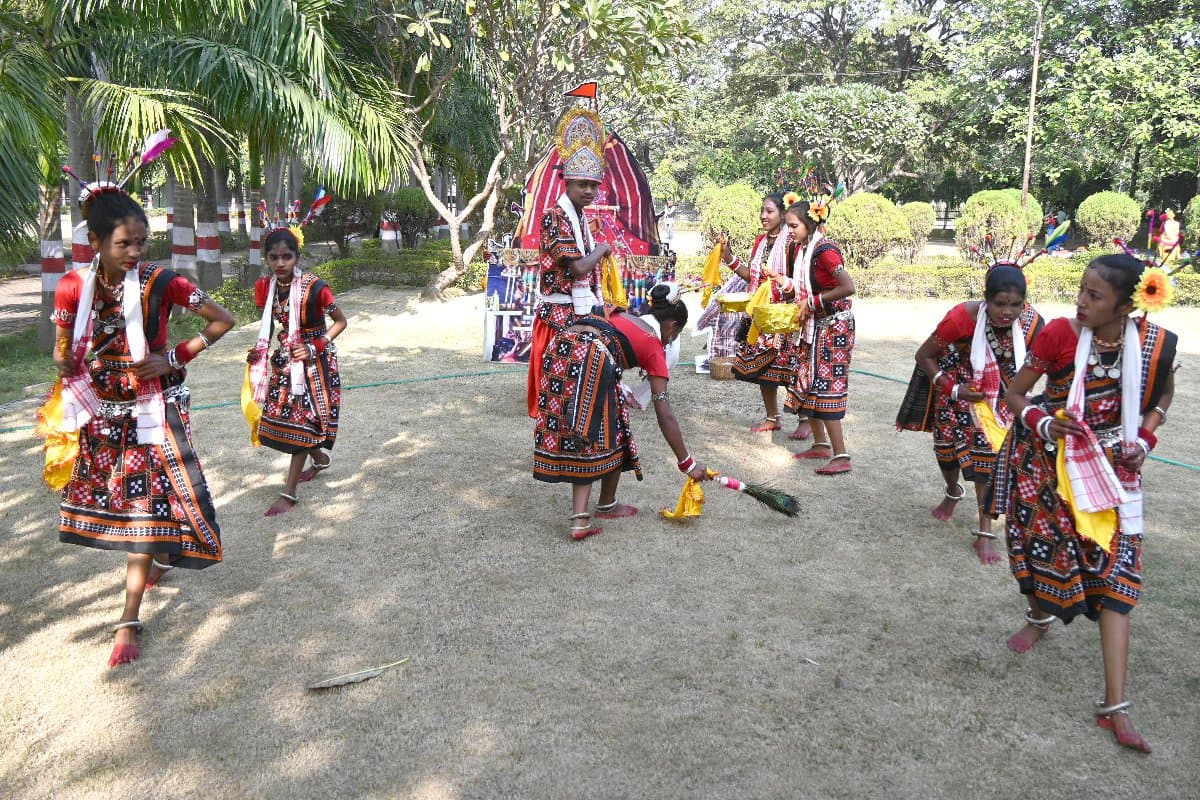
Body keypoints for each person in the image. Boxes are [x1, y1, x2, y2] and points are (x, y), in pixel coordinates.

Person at [991, 254, 1176, 753]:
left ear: (1126, 306)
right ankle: (1038, 617)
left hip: (1113, 474)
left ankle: (1115, 706)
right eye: (1081, 290)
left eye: (1095, 296)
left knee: (1117, 578)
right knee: (1033, 553)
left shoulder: (1155, 345)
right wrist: (1046, 424)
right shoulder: (1058, 336)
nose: (1081, 301)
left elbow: (1162, 398)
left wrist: (1145, 441)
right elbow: (1013, 395)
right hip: (1044, 468)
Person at [51, 186, 234, 668]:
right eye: (124, 244)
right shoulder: (73, 285)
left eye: (141, 243)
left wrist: (172, 357)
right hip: (104, 409)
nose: (135, 253)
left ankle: (128, 619)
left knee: (144, 506)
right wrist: (65, 363)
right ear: (95, 242)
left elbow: (222, 319)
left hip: (153, 406)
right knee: (123, 497)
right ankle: (152, 562)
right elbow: (61, 348)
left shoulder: (162, 280)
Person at [532, 283, 711, 539]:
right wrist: (687, 462)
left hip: (558, 351)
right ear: (672, 326)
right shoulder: (654, 345)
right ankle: (580, 521)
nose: (671, 339)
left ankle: (607, 503)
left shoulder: (624, 315)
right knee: (588, 433)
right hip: (589, 360)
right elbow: (665, 413)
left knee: (614, 423)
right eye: (675, 333)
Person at [901, 265, 1044, 564]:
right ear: (985, 299)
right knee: (946, 453)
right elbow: (924, 355)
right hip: (955, 388)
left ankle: (984, 533)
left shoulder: (1033, 324)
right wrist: (953, 389)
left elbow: (1037, 364)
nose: (1007, 312)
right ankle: (953, 491)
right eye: (1000, 303)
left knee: (985, 459)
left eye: (1015, 304)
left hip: (999, 397)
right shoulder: (961, 318)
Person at [249, 228, 348, 517]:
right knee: (286, 418)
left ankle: (288, 493)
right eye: (274, 257)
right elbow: (269, 324)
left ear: (297, 257)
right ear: (266, 259)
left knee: (302, 424)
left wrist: (316, 346)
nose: (281, 263)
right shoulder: (266, 287)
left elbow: (340, 321)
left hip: (315, 362)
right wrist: (259, 351)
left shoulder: (315, 287)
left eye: (287, 257)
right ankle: (319, 458)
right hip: (287, 359)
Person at [526, 106, 610, 418]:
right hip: (558, 317)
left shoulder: (579, 218)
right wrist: (601, 249)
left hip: (578, 312)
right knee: (556, 398)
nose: (589, 191)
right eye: (582, 184)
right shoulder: (554, 216)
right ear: (566, 183)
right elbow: (576, 268)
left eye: (593, 185)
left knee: (575, 399)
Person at [782, 201, 857, 475]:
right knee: (808, 380)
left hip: (833, 327)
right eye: (788, 226)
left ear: (810, 224)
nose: (789, 231)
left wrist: (812, 302)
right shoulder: (802, 249)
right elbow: (804, 286)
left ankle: (841, 455)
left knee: (826, 385)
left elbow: (848, 287)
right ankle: (821, 444)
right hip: (815, 325)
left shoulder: (825, 252)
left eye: (793, 226)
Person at [727, 193, 808, 435]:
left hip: (785, 314)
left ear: (783, 214)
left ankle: (805, 420)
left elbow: (800, 279)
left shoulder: (792, 243)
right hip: (762, 315)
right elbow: (753, 277)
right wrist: (728, 258)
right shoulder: (761, 242)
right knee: (764, 371)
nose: (764, 215)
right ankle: (772, 418)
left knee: (794, 369)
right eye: (762, 210)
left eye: (769, 211)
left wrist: (780, 285)